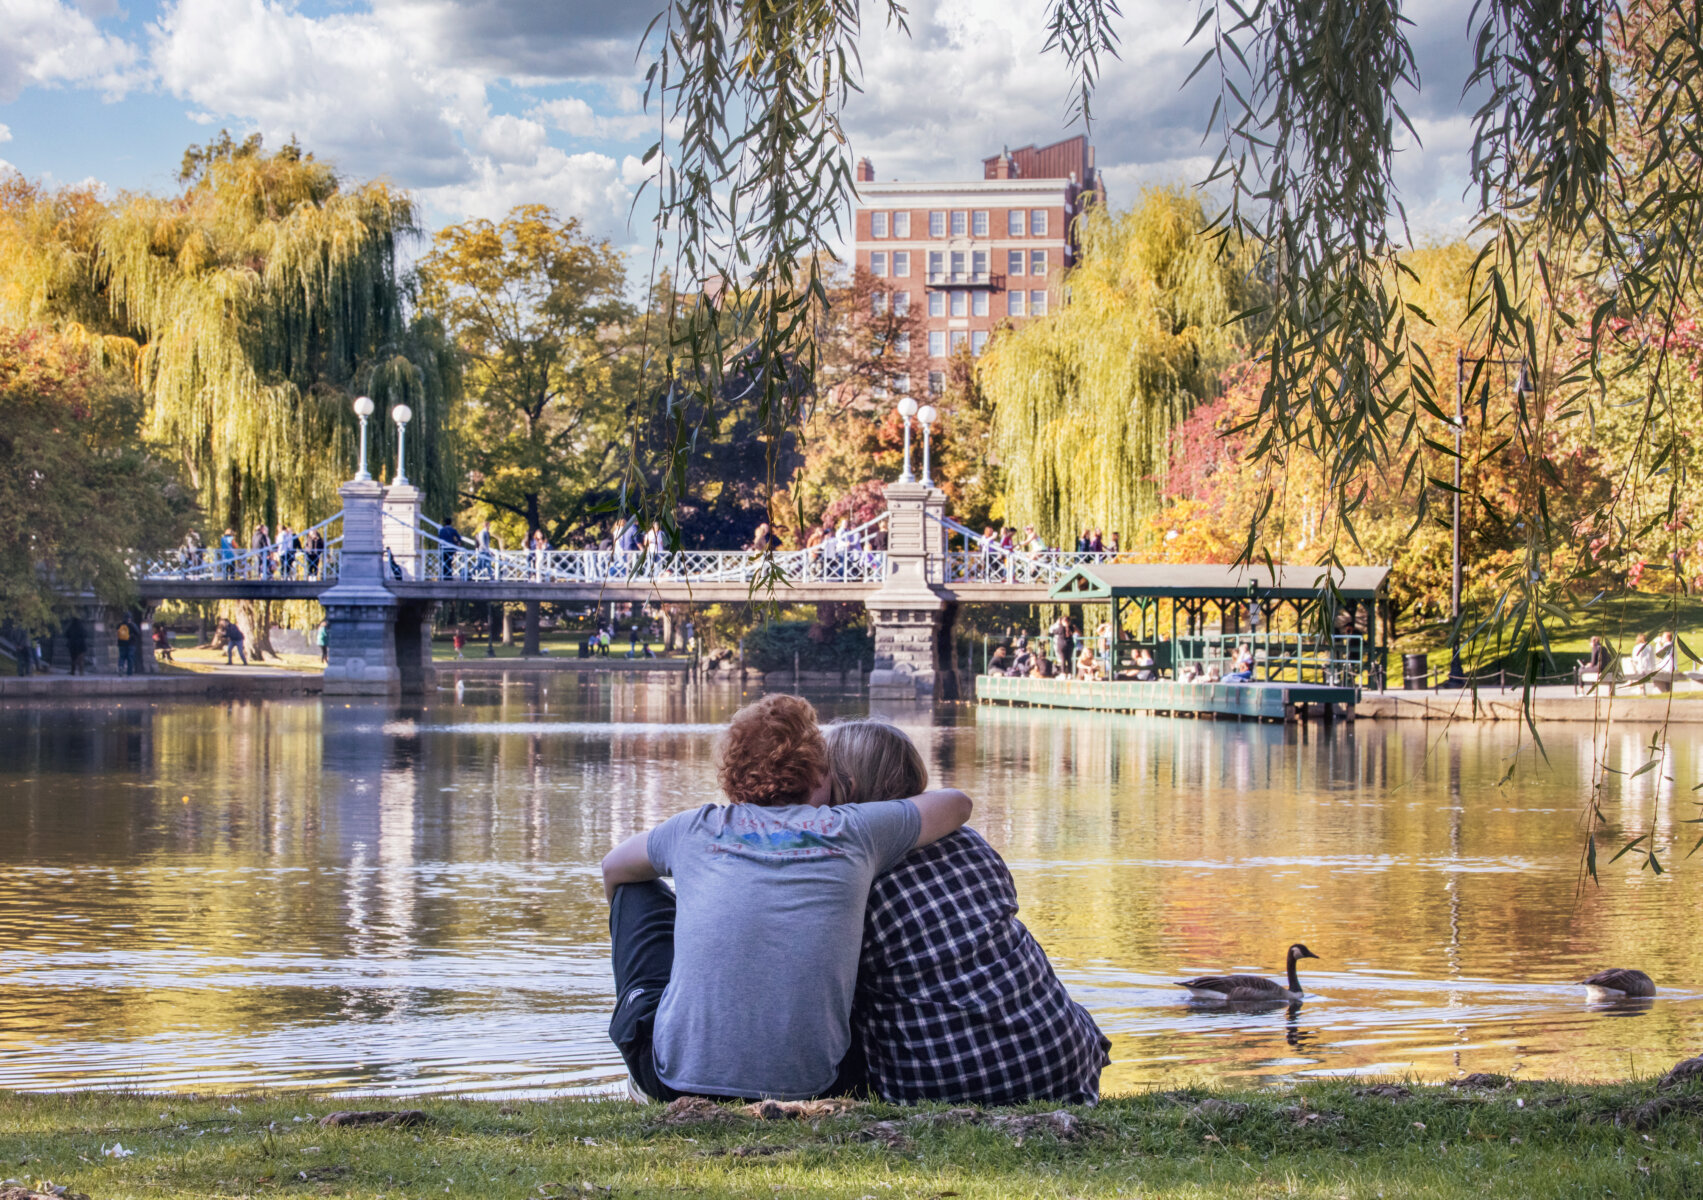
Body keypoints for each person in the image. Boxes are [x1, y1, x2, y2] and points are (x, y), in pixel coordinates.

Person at [600, 694, 973, 1102]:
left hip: (675, 1083)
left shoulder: (693, 829)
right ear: (819, 772)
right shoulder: (855, 829)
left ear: (731, 773)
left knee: (635, 888)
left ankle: (656, 1063)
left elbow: (612, 868)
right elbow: (958, 803)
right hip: (814, 1087)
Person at [826, 719, 1109, 1105]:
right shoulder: (970, 841)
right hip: (1061, 1060)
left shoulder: (852, 870)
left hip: (951, 1082)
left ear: (849, 786)